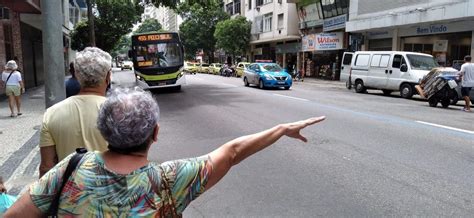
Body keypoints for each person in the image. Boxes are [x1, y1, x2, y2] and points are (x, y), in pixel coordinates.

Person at [4, 88, 326, 217]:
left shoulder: (71, 168)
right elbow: (232, 152)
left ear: (104, 132)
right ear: (155, 134)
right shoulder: (168, 180)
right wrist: (281, 129)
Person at [38, 47, 112, 177]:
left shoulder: (51, 113)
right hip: (111, 192)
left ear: (77, 75)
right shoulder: (120, 112)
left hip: (69, 193)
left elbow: (46, 167)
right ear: (108, 76)